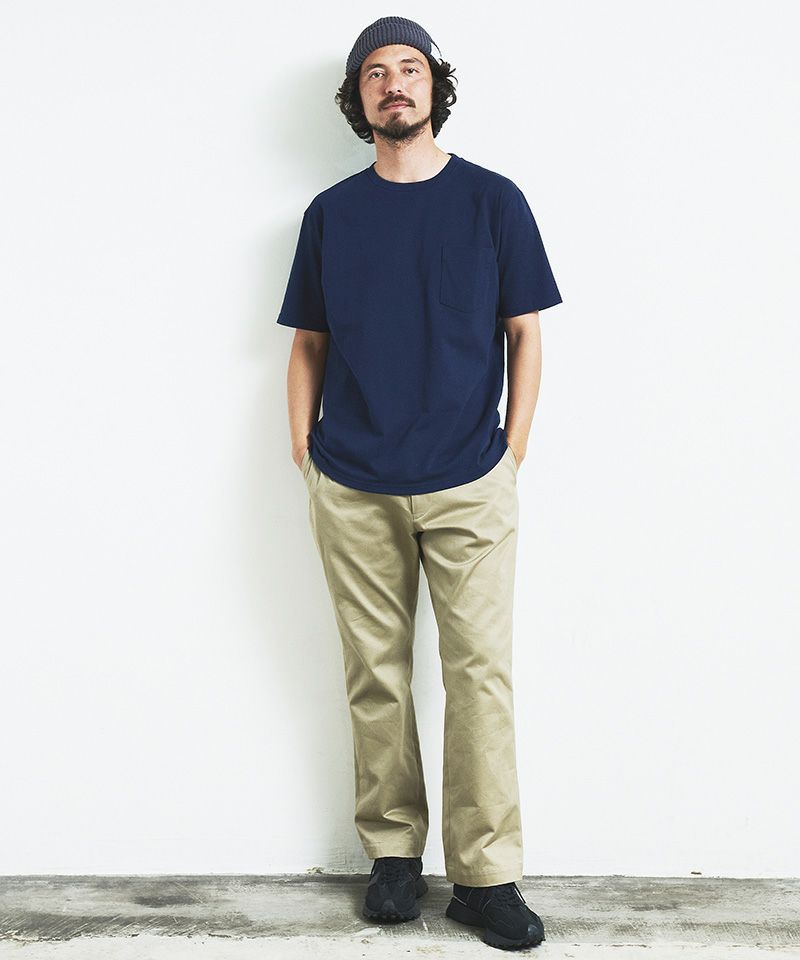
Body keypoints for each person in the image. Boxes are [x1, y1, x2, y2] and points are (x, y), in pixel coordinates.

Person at [276, 15, 562, 951]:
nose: (392, 83)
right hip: (354, 482)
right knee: (376, 673)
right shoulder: (331, 214)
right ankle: (394, 856)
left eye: (408, 68)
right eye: (373, 73)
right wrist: (304, 450)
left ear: (436, 85)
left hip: (469, 479)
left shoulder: (493, 200)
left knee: (481, 676)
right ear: (357, 98)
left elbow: (525, 332)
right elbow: (307, 342)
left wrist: (512, 451)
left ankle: (486, 878)